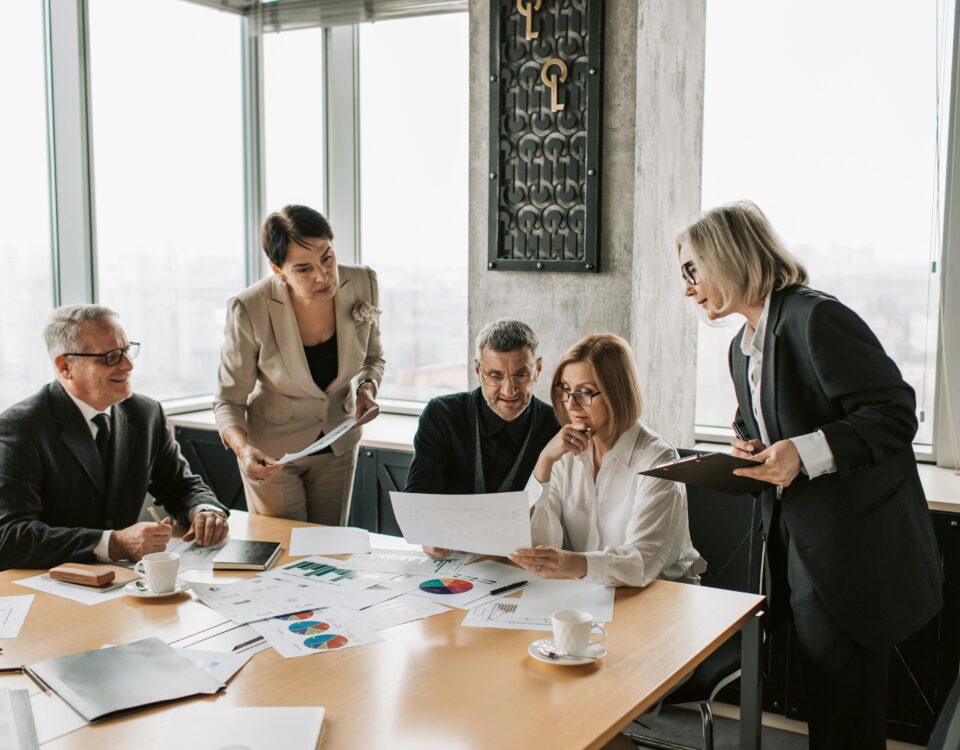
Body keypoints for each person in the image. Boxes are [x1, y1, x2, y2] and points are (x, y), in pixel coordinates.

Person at [677, 200, 943, 749]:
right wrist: (746, 442)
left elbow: (895, 414)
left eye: (691, 270)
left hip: (851, 553)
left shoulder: (815, 317)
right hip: (796, 549)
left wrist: (802, 452)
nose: (687, 288)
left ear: (727, 256)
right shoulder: (741, 348)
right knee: (828, 705)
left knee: (846, 717)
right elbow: (769, 415)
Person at [0, 305, 229, 570]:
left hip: (125, 580)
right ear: (65, 366)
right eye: (110, 357)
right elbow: (9, 536)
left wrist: (204, 510)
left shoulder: (145, 414)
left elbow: (181, 486)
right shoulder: (20, 427)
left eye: (127, 351)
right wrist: (113, 543)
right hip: (48, 581)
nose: (128, 365)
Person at [214, 205, 384, 525]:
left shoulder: (364, 282)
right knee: (285, 548)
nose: (322, 275)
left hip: (338, 446)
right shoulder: (249, 308)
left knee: (331, 547)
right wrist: (243, 450)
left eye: (327, 258)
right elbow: (228, 400)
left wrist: (367, 388)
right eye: (303, 269)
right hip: (272, 456)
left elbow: (373, 358)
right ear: (277, 270)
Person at [509, 334, 702, 587]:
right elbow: (537, 546)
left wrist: (570, 563)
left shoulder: (658, 459)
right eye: (566, 390)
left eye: (586, 392)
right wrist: (544, 462)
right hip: (588, 591)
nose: (571, 404)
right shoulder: (564, 453)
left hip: (660, 594)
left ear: (618, 393)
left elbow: (641, 561)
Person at [404, 319, 559, 558]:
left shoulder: (556, 426)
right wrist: (426, 533)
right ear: (478, 370)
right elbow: (418, 496)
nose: (509, 391)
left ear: (537, 369)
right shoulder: (442, 415)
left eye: (521, 375)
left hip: (523, 564)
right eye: (495, 376)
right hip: (453, 559)